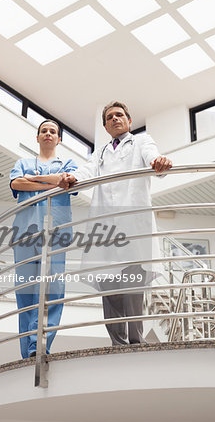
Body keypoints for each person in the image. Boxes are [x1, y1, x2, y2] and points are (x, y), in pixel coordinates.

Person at [62, 101, 172, 346]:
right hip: (105, 227)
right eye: (110, 117)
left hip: (133, 224)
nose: (115, 119)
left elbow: (153, 157)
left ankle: (135, 340)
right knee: (108, 285)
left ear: (129, 121)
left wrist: (159, 163)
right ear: (105, 125)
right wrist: (73, 178)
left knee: (133, 283)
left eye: (119, 115)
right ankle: (117, 342)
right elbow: (87, 171)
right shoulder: (100, 152)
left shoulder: (142, 141)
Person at [10, 119, 77, 359]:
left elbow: (69, 182)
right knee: (26, 292)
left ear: (58, 139)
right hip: (25, 232)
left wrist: (35, 182)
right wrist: (53, 181)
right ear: (37, 138)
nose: (48, 134)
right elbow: (16, 183)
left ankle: (40, 346)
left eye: (53, 132)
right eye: (44, 131)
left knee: (52, 290)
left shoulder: (68, 163)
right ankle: (27, 351)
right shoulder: (23, 162)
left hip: (55, 232)